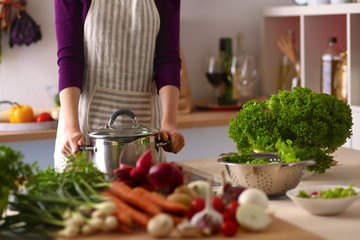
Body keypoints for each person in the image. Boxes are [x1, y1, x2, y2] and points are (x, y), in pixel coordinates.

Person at [54, 0, 185, 170]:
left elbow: (168, 58)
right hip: (83, 130)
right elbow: (70, 59)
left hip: (147, 130)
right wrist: (71, 128)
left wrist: (169, 124)